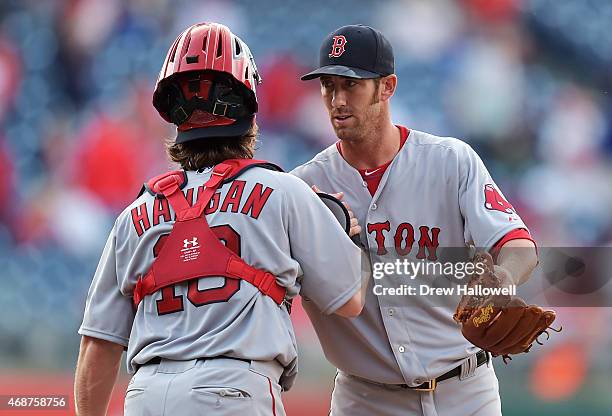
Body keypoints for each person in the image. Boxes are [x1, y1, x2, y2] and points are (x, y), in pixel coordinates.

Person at [74, 22, 364, 416]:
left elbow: (98, 344)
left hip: (146, 395)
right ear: (247, 104)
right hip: (234, 392)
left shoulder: (135, 212)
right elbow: (348, 301)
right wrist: (345, 233)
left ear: (174, 112)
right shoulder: (284, 192)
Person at [292, 24, 541, 416]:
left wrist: (503, 281)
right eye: (328, 86)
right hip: (365, 399)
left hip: (465, 392)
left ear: (387, 87)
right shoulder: (302, 187)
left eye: (352, 85)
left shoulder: (449, 161)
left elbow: (518, 246)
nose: (337, 100)